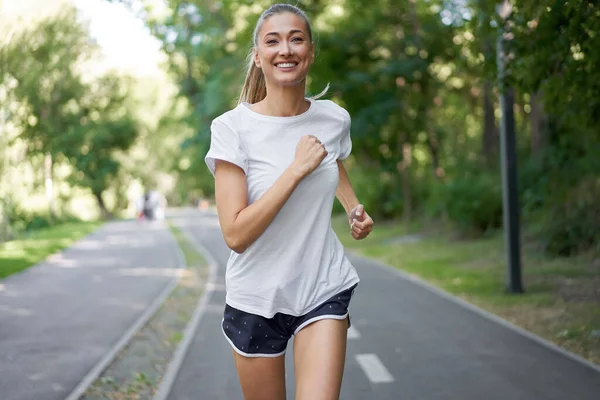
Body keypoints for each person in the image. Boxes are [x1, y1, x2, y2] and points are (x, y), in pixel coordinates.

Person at [204, 4, 374, 400]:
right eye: (273, 41)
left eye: (297, 39)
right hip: (256, 298)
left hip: (321, 286)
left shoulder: (333, 119)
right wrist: (295, 170)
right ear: (259, 57)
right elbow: (235, 233)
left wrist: (352, 207)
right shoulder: (233, 129)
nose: (286, 49)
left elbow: (331, 160)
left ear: (311, 52)